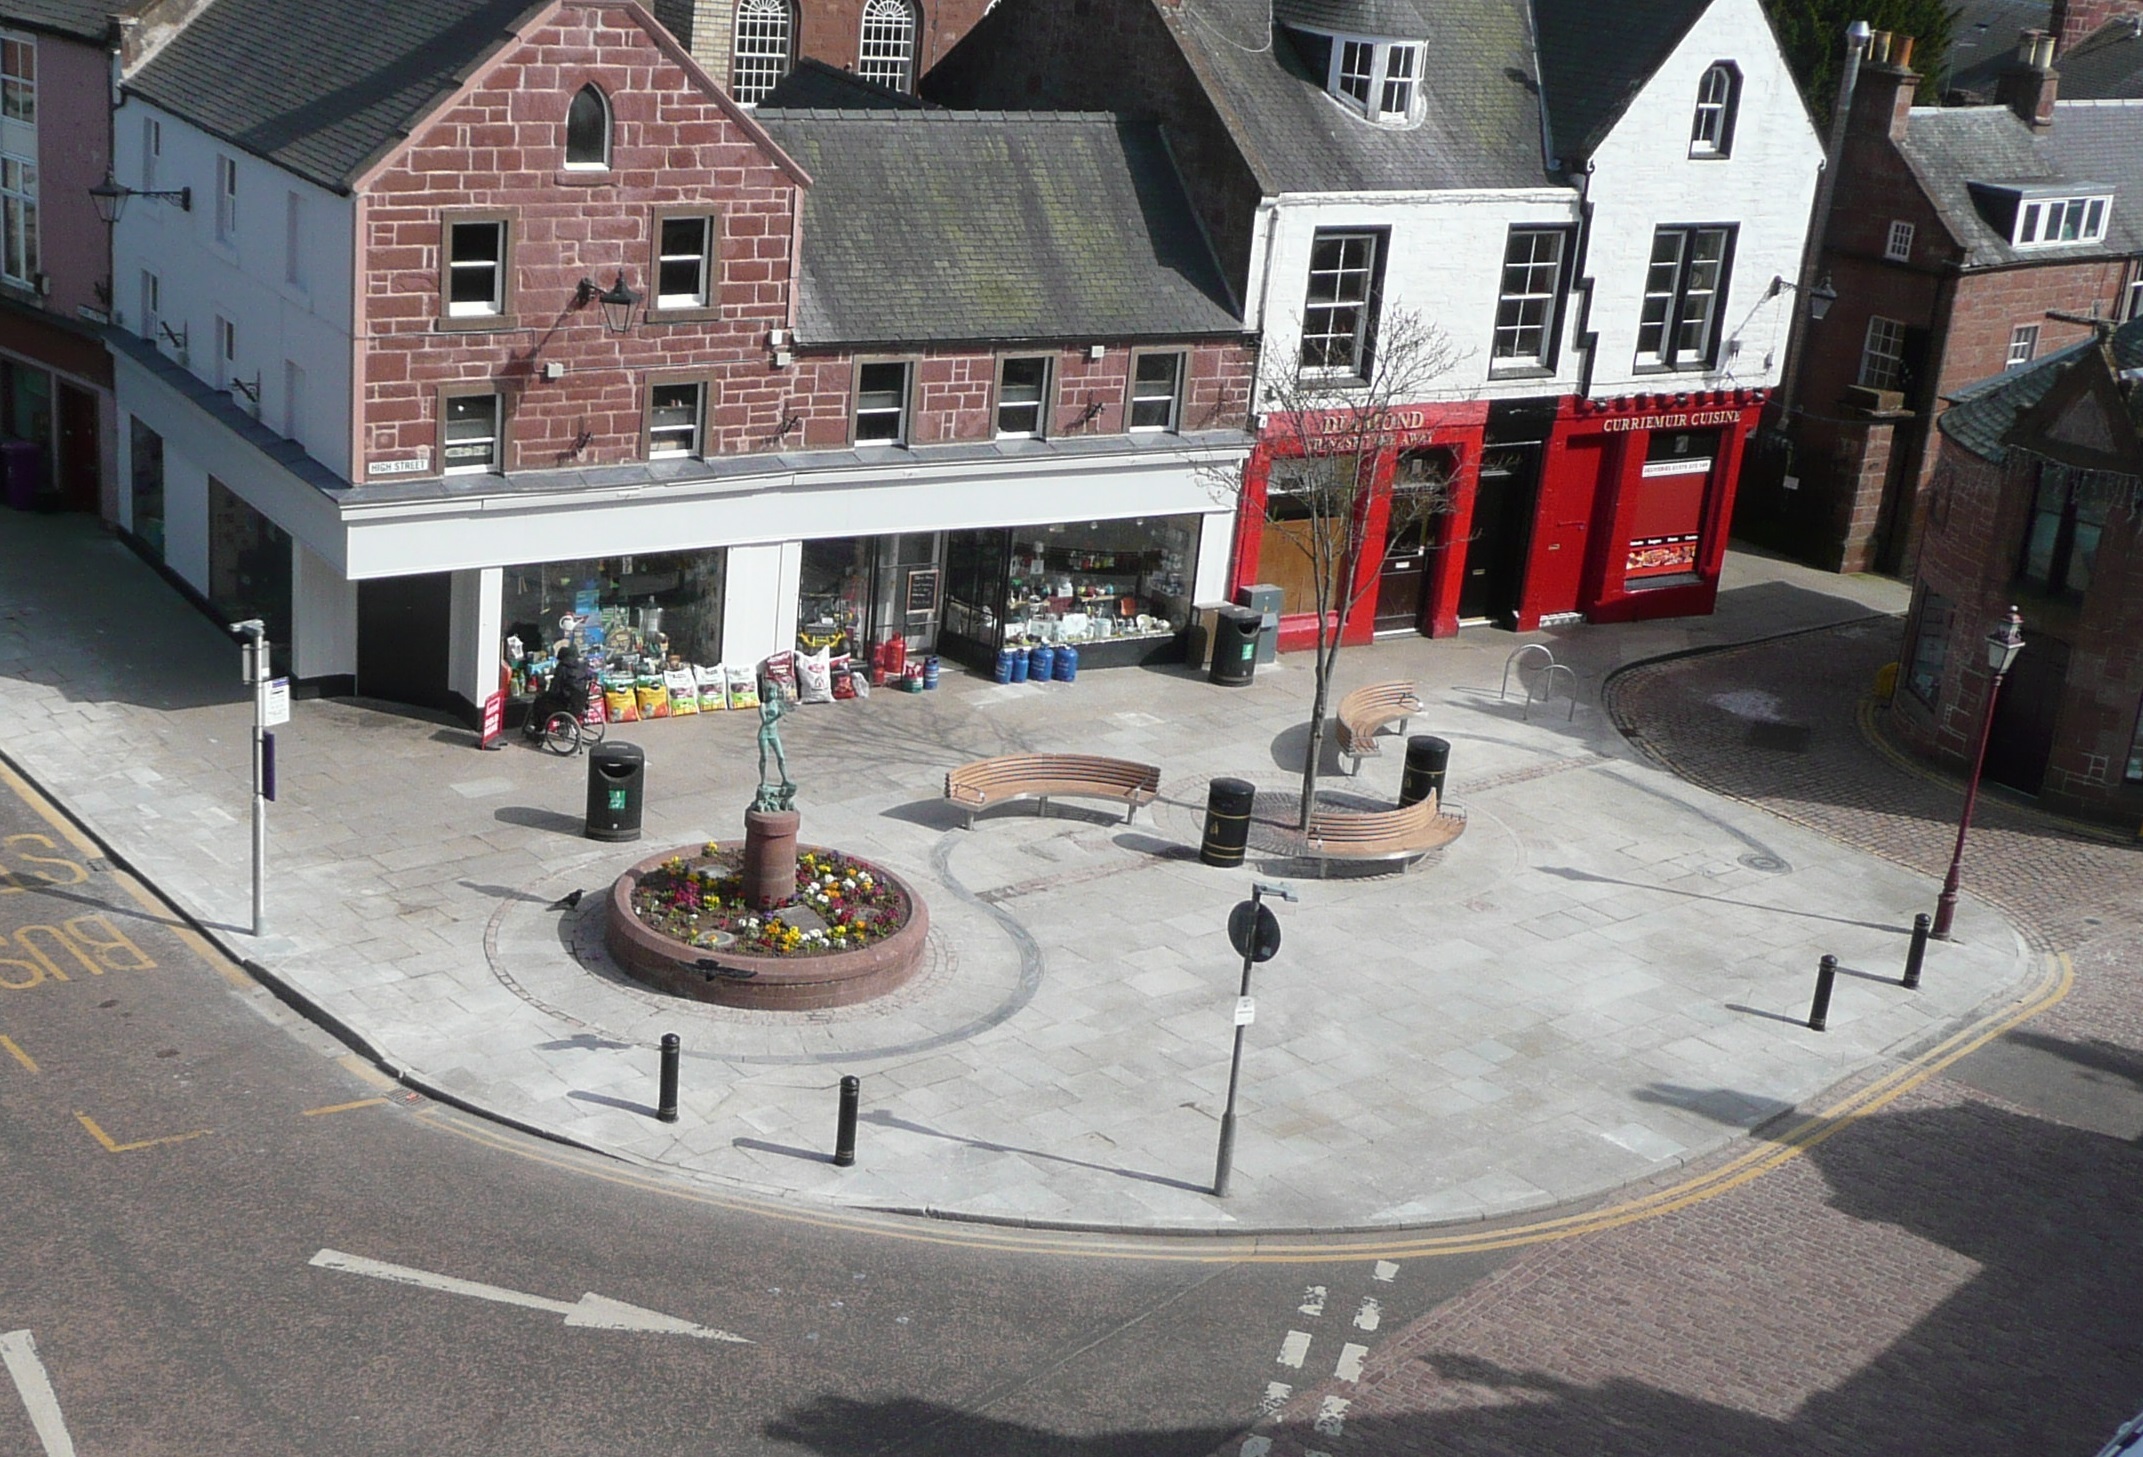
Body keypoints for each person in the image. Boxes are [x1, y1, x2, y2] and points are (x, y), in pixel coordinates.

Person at [525, 645, 592, 739]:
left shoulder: (562, 668)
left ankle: (539, 729)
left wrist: (544, 694)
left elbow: (554, 689)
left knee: (539, 703)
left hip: (563, 705)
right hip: (578, 704)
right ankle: (562, 725)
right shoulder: (582, 667)